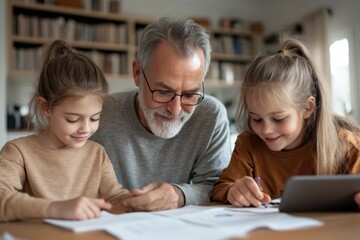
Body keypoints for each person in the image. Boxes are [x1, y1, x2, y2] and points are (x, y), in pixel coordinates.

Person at [91, 16, 232, 211]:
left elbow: (217, 186)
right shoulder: (97, 114)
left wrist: (179, 195)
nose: (175, 110)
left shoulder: (211, 115)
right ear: (138, 74)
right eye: (163, 92)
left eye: (190, 94)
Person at [211, 35, 360, 208]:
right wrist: (233, 191)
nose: (266, 130)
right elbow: (220, 188)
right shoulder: (249, 144)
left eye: (278, 118)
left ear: (308, 108)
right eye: (257, 118)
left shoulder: (345, 145)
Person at [0, 40, 131, 222]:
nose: (86, 128)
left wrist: (137, 201)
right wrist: (55, 208)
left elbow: (116, 197)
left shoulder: (97, 154)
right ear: (45, 107)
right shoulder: (18, 152)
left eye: (94, 118)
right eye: (73, 119)